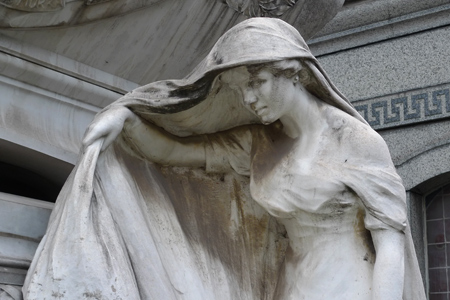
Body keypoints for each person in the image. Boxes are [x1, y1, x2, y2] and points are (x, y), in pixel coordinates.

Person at [23, 18, 425, 299]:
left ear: (294, 72)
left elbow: (389, 244)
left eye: (257, 82)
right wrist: (125, 119)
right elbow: (175, 154)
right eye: (239, 89)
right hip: (291, 285)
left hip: (351, 286)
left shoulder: (354, 139)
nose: (249, 98)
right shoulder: (258, 141)